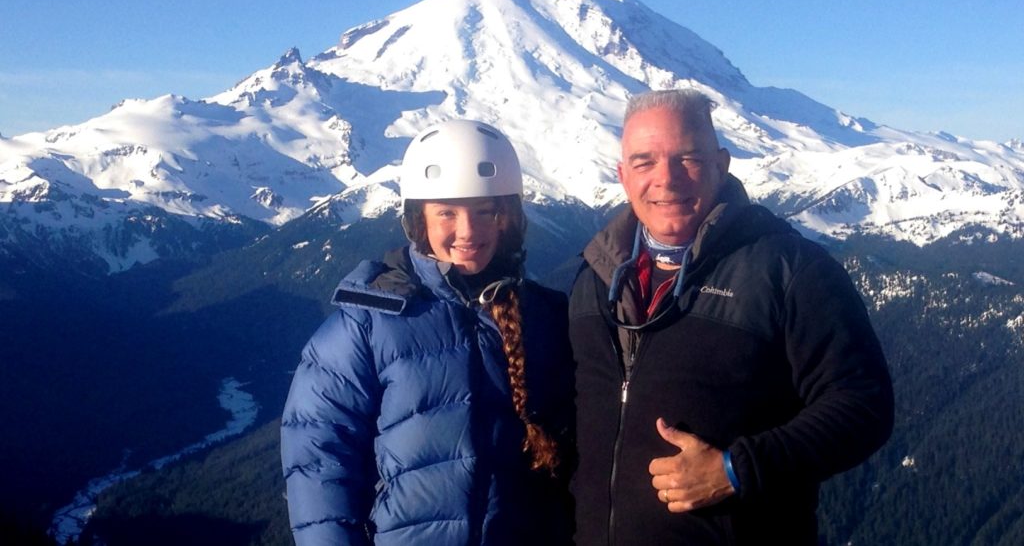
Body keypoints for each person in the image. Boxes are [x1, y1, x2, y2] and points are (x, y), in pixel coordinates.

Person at [569, 89, 894, 544]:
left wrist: (735, 469)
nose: (667, 179)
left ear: (722, 165)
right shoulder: (596, 278)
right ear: (623, 176)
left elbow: (864, 404)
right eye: (644, 162)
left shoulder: (789, 270)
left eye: (688, 157)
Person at [281, 119, 574, 546]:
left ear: (506, 219)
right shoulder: (369, 322)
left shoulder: (543, 317)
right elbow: (319, 458)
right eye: (447, 213)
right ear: (419, 220)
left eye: (484, 212)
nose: (468, 231)